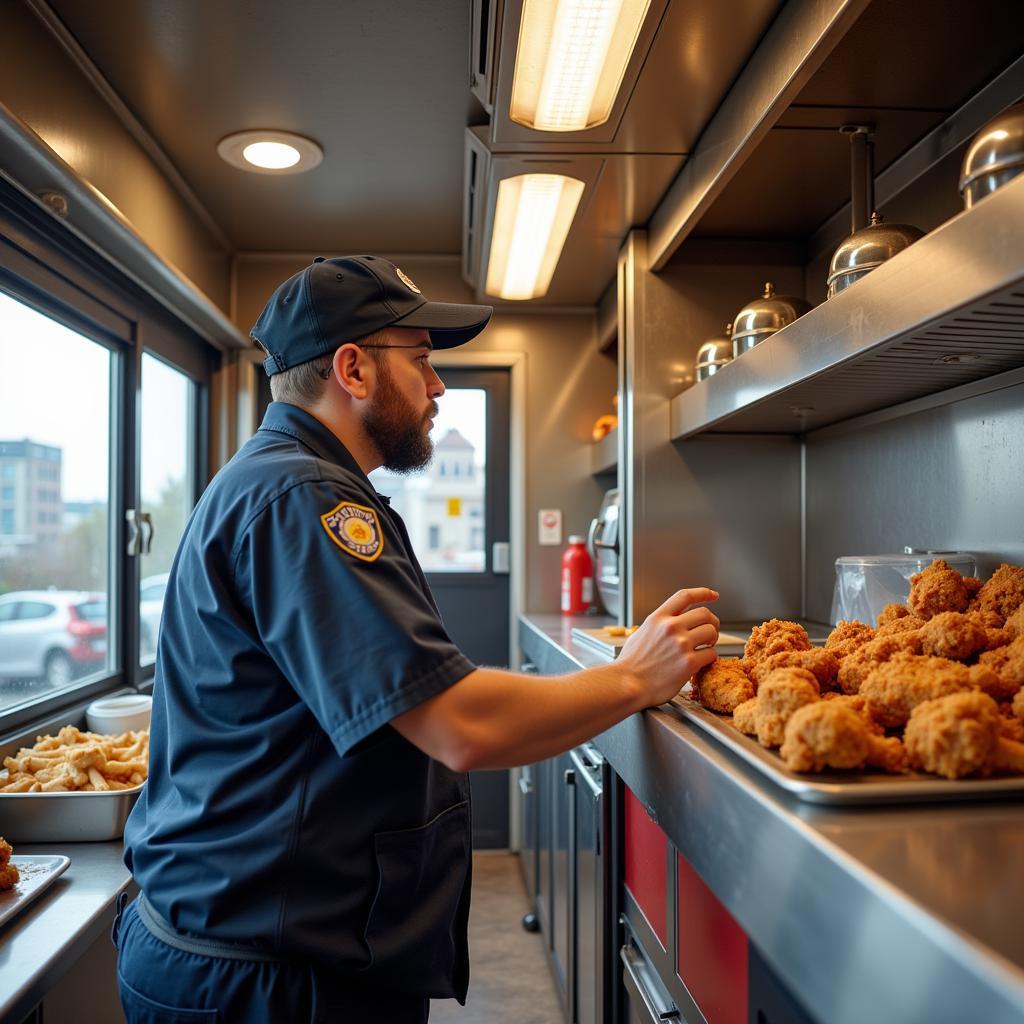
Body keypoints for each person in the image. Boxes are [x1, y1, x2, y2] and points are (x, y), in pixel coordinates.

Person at [114, 255, 720, 1023]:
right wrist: (635, 677)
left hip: (260, 949)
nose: (438, 388)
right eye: (425, 361)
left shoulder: (283, 480)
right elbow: (457, 724)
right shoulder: (303, 495)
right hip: (266, 979)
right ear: (353, 369)